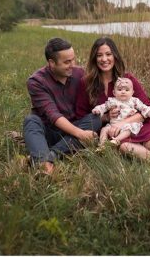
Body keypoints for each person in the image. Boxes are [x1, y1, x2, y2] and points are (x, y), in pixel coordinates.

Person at [23, 37, 102, 175]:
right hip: (50, 132)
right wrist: (82, 134)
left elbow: (93, 102)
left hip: (74, 128)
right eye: (67, 62)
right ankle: (45, 168)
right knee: (31, 121)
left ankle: (48, 156)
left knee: (96, 118)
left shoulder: (80, 74)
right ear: (52, 63)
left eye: (73, 60)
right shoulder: (36, 81)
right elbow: (53, 115)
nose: (73, 64)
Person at [91, 77, 150, 146]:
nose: (123, 92)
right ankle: (102, 145)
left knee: (128, 129)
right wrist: (98, 110)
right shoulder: (112, 101)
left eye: (127, 90)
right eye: (119, 89)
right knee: (104, 129)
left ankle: (116, 140)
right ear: (114, 92)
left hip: (128, 124)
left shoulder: (134, 101)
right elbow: (103, 107)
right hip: (113, 124)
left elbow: (145, 108)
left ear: (132, 92)